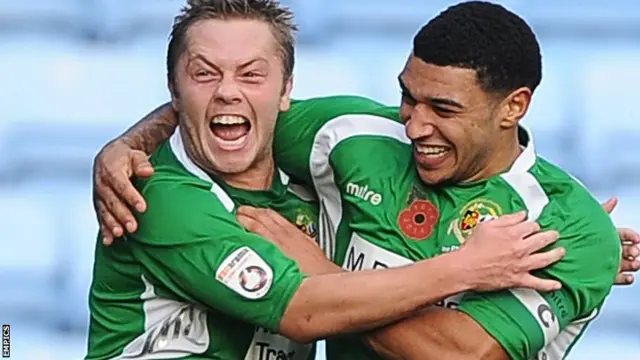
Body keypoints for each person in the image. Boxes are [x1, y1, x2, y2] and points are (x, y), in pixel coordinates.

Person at [92, 2, 640, 360]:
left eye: (443, 108)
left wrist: (320, 270)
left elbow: (459, 354)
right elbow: (234, 110)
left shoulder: (566, 227)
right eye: (408, 96)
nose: (415, 124)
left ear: (513, 107)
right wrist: (126, 145)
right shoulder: (352, 137)